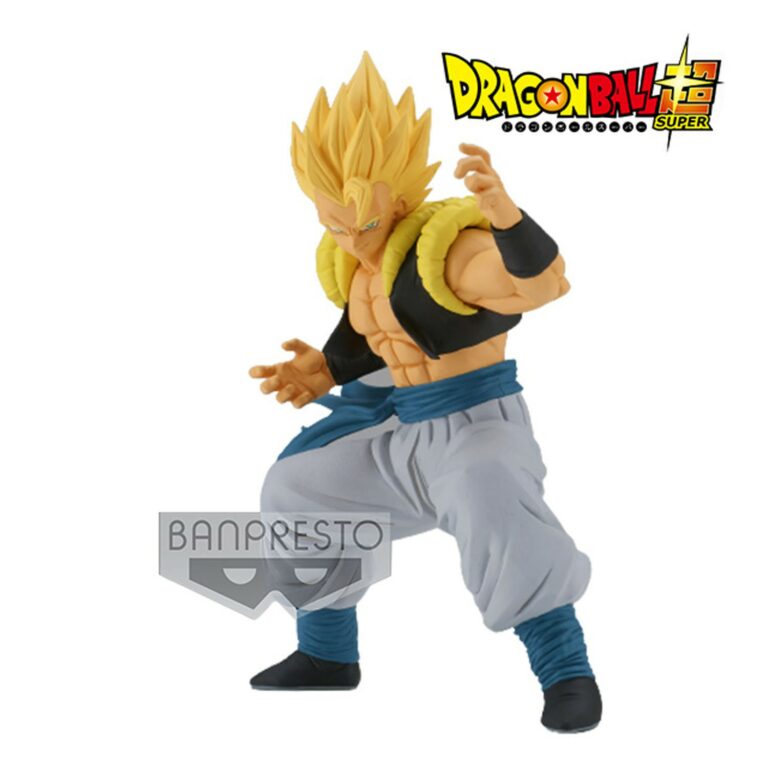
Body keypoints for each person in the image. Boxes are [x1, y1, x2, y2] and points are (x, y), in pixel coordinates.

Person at [248, 52, 602, 733]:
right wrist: (320, 371)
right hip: (405, 435)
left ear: (401, 202)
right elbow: (369, 344)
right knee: (296, 489)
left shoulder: (451, 251)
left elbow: (541, 285)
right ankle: (327, 655)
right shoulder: (357, 270)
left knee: (486, 492)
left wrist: (507, 220)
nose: (350, 239)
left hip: (478, 426)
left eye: (363, 224)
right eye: (333, 224)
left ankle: (566, 671)